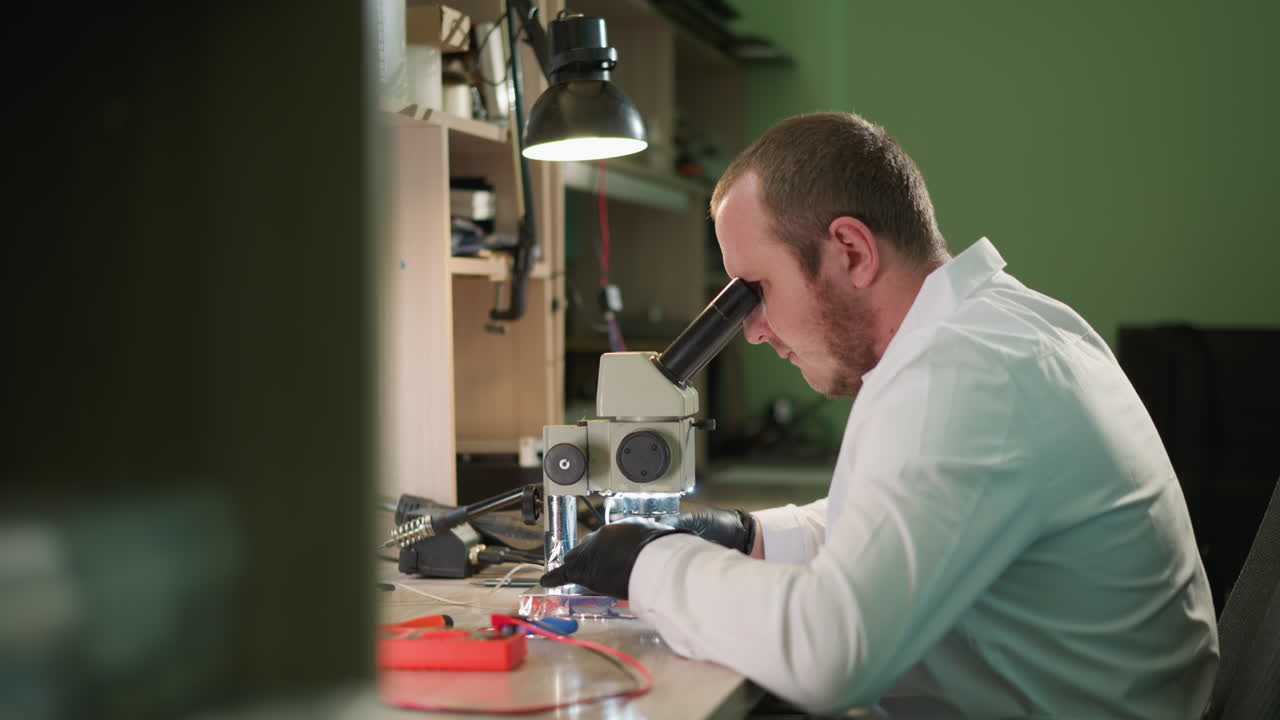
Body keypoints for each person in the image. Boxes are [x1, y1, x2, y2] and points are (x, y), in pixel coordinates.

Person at [540, 112, 1218, 718]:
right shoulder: (989, 333)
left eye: (758, 290)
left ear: (852, 253)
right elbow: (893, 524)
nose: (752, 330)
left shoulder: (963, 377)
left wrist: (651, 565)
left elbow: (829, 653)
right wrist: (744, 533)